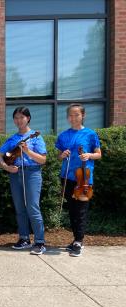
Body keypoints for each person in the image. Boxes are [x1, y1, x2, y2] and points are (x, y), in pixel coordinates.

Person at [0, 106, 47, 255]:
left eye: (22, 117)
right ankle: (24, 238)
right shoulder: (13, 138)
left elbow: (43, 159)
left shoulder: (36, 137)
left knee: (33, 207)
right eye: (16, 118)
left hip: (32, 173)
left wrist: (28, 151)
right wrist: (6, 167)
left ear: (28, 118)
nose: (19, 120)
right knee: (19, 208)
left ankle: (40, 241)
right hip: (15, 173)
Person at [56, 103, 101, 257]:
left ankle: (79, 241)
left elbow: (98, 154)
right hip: (67, 176)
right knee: (73, 210)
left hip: (84, 177)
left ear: (83, 115)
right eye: (71, 115)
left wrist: (89, 155)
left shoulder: (90, 134)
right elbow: (58, 155)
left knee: (81, 210)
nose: (73, 117)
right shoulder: (63, 135)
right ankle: (76, 239)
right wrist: (62, 155)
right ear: (67, 117)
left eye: (77, 114)